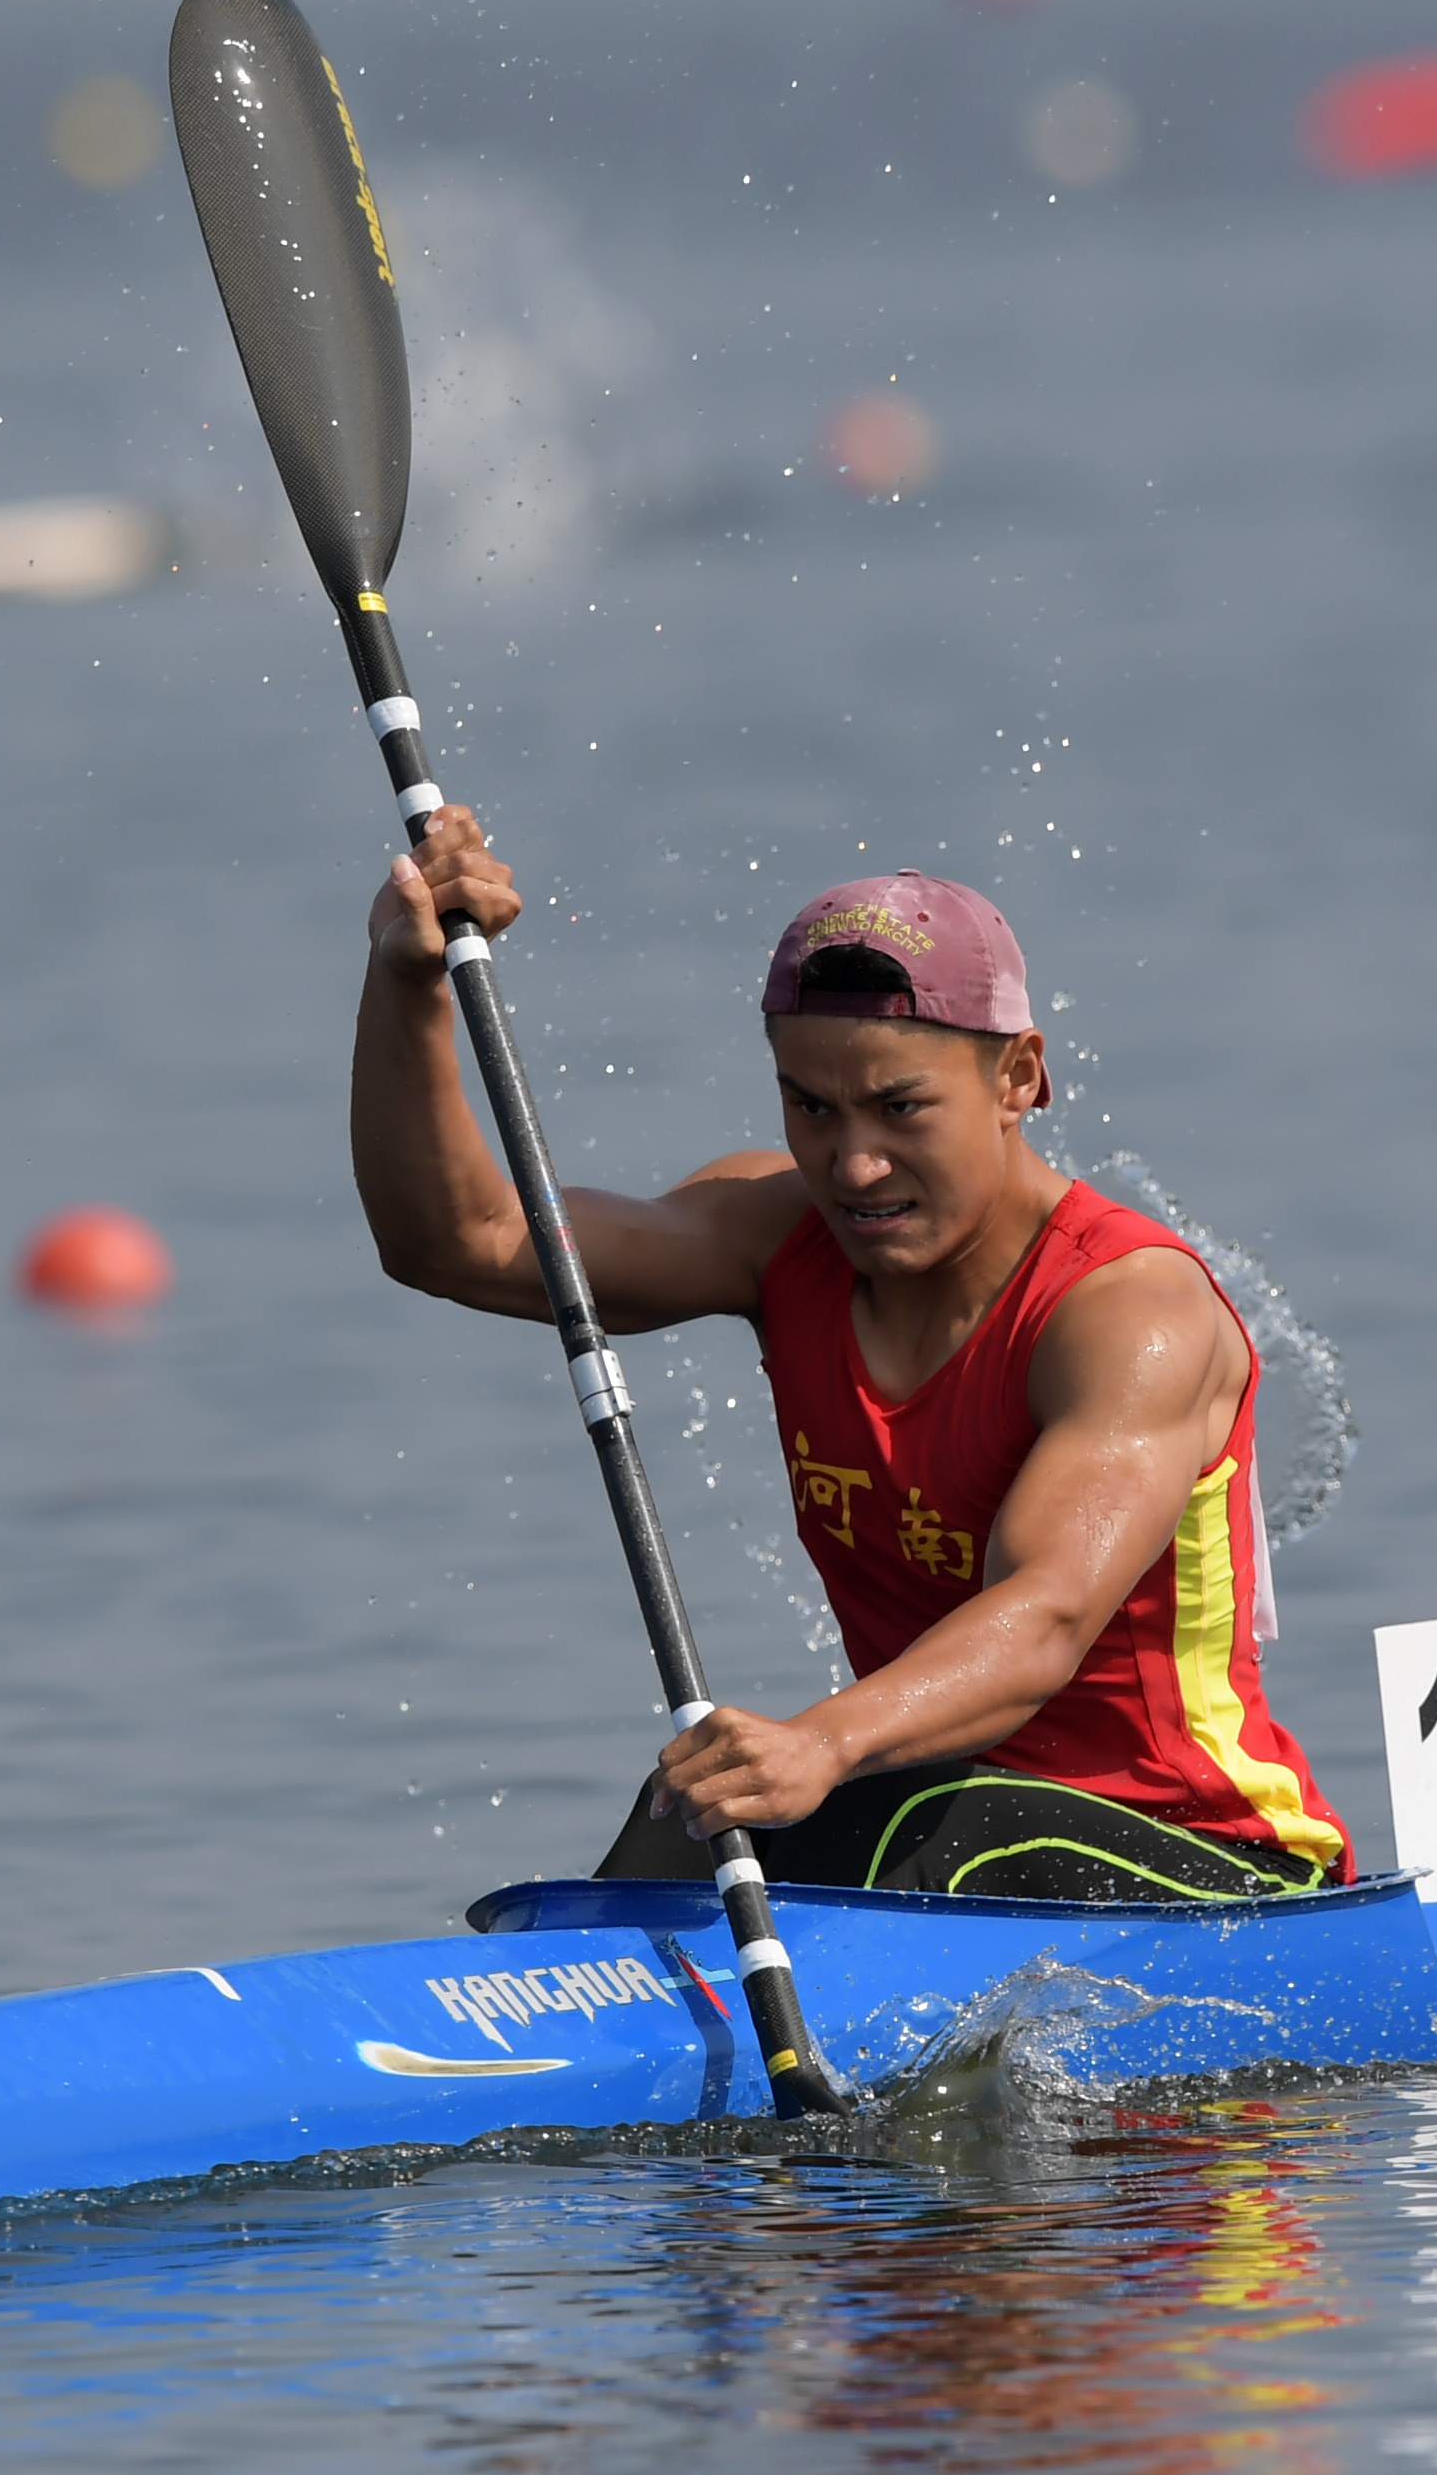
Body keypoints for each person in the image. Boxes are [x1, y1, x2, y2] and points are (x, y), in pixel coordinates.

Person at [354, 813, 1355, 1907]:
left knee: (935, 1814)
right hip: (940, 1809)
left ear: (1019, 1077)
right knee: (692, 1805)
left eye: (901, 1107)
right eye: (812, 1107)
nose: (855, 1162)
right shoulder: (774, 1235)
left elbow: (1045, 1618)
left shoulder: (1129, 1312)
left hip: (1212, 1855)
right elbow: (463, 1242)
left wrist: (823, 1740)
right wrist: (410, 982)